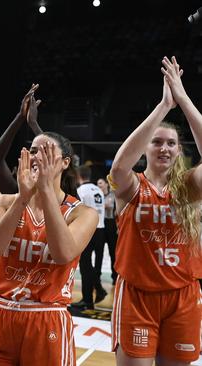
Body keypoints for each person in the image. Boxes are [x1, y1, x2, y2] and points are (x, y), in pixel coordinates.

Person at [0, 133, 98, 365]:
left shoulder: (83, 214)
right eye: (33, 150)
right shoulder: (5, 201)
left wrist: (46, 191)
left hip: (46, 318)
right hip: (0, 313)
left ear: (65, 162)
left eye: (45, 151)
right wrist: (23, 198)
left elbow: (63, 254)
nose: (37, 156)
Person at [109, 57, 202, 365]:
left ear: (179, 150)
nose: (164, 148)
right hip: (137, 295)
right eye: (157, 142)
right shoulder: (132, 185)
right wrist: (163, 106)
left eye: (172, 143)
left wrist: (183, 98)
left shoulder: (189, 186)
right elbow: (120, 164)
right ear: (146, 148)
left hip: (183, 295)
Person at [0, 84, 43, 194]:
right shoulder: (17, 192)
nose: (35, 156)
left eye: (42, 151)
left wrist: (33, 123)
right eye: (32, 152)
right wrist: (20, 116)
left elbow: (55, 151)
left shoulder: (62, 192)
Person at [73, 165, 107, 310]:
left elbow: (79, 213)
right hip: (101, 230)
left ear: (79, 176)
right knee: (89, 266)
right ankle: (93, 295)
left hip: (89, 230)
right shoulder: (98, 190)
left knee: (85, 266)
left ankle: (90, 297)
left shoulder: (81, 191)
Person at [97, 177, 117, 285]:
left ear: (106, 184)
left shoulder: (112, 195)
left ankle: (115, 276)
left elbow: (112, 207)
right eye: (97, 183)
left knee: (113, 251)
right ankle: (97, 277)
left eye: (100, 183)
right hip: (100, 223)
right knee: (99, 253)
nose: (98, 185)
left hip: (111, 224)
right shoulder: (96, 195)